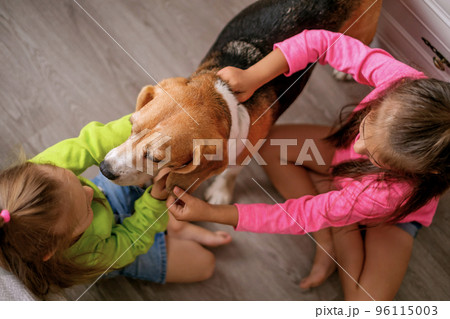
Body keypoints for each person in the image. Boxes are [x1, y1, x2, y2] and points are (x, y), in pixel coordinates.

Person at [166, 29, 450, 300]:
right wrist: (253, 76)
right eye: (367, 127)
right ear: (394, 95)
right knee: (264, 144)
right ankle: (331, 226)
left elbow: (299, 215)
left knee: (363, 306)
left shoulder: (389, 195)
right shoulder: (400, 81)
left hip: (390, 217)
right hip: (338, 160)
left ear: (418, 169)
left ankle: (336, 228)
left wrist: (211, 212)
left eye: (380, 158)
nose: (360, 148)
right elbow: (320, 41)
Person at [0, 114, 231, 298]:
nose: (90, 190)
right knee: (204, 264)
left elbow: (89, 145)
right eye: (85, 207)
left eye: (78, 182)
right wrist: (156, 201)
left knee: (157, 160)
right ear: (55, 248)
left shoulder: (36, 176)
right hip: (117, 246)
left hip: (110, 198)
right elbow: (131, 240)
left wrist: (141, 129)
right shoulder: (86, 257)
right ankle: (167, 223)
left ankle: (170, 223)